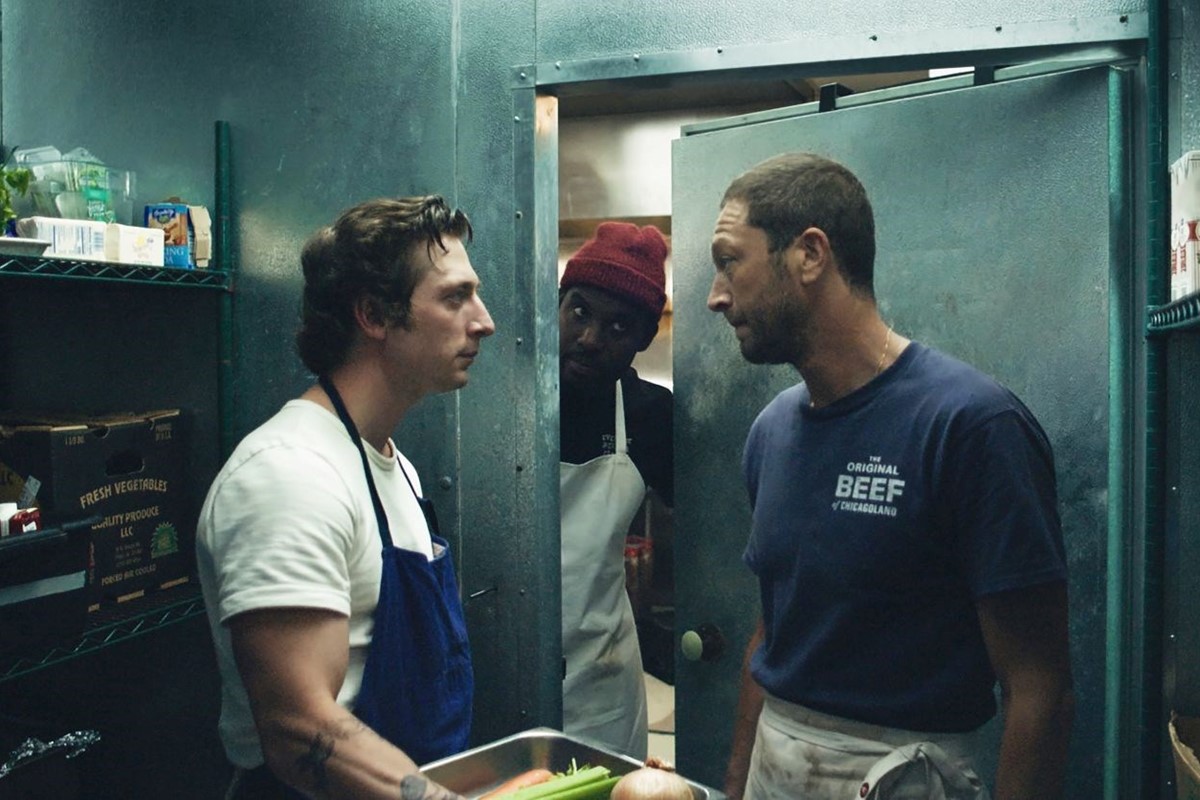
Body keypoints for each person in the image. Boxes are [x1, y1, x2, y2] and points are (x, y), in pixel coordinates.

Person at [706, 153, 1074, 800]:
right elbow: (772, 631)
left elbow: (1037, 684)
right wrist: (737, 783)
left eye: (730, 259)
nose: (716, 295)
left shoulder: (971, 426)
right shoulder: (771, 431)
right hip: (777, 764)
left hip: (905, 777)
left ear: (810, 254)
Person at [196, 196, 495, 800]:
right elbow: (298, 729)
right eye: (454, 297)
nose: (483, 320)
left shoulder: (394, 466)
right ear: (373, 315)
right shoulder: (289, 475)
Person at [558, 221, 674, 759]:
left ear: (644, 339)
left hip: (602, 680)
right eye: (579, 312)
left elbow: (714, 543)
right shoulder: (498, 402)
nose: (589, 338)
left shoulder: (651, 416)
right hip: (502, 668)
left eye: (618, 327)